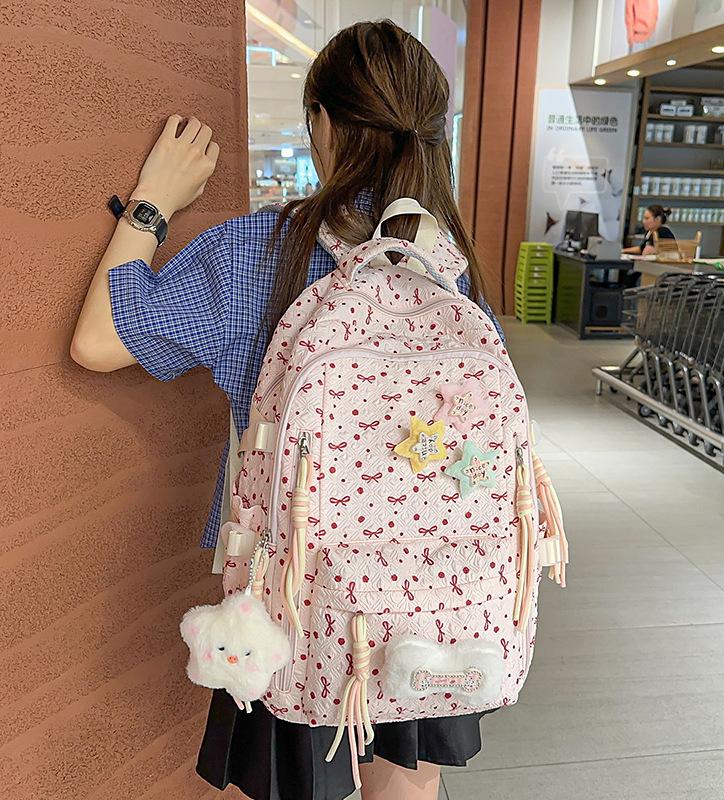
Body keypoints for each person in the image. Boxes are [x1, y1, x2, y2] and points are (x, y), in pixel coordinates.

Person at [70, 20, 503, 800]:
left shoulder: (262, 251)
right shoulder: (449, 266)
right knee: (409, 785)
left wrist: (152, 204)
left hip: (296, 597)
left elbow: (98, 342)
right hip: (430, 589)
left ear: (322, 124)